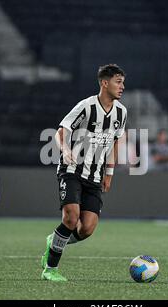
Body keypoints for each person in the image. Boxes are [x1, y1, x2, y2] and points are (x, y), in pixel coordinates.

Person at [41, 64, 127, 281]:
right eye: (118, 81)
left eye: (123, 82)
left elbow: (115, 142)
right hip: (72, 170)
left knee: (86, 228)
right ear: (104, 83)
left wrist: (109, 173)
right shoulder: (86, 107)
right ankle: (50, 269)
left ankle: (55, 240)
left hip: (96, 176)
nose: (122, 86)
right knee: (71, 217)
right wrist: (66, 150)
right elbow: (62, 131)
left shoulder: (121, 112)